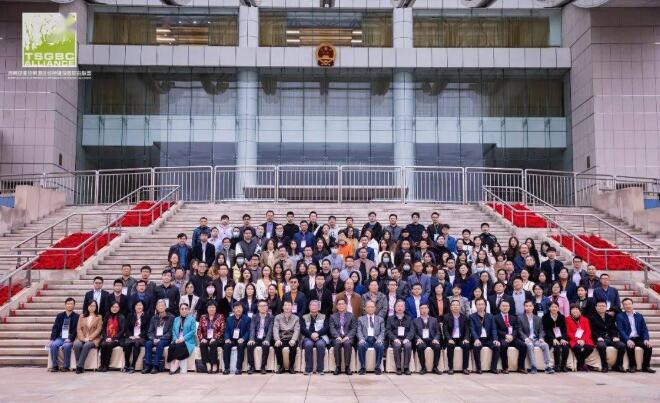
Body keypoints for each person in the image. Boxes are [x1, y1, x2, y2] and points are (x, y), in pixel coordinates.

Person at [615, 297, 655, 373]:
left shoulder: (639, 316)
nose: (628, 306)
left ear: (632, 305)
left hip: (638, 338)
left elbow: (644, 329)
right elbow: (621, 330)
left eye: (629, 304)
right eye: (625, 304)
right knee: (630, 346)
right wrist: (627, 340)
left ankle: (646, 366)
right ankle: (632, 366)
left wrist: (646, 339)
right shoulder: (620, 316)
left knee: (648, 346)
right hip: (627, 338)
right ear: (623, 306)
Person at [518, 300, 554, 374]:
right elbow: (519, 330)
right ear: (524, 307)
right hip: (527, 339)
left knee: (545, 345)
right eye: (526, 306)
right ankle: (533, 367)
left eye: (530, 306)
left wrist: (541, 338)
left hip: (536, 339)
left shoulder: (538, 318)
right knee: (530, 345)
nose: (528, 307)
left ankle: (547, 366)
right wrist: (526, 338)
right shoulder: (520, 318)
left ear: (533, 307)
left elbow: (541, 330)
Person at [589, 300, 625, 372]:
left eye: (603, 306)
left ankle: (618, 365)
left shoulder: (610, 317)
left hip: (610, 338)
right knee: (601, 346)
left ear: (606, 307)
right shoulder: (592, 317)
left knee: (622, 345)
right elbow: (592, 330)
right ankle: (604, 366)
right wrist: (598, 337)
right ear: (596, 307)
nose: (601, 307)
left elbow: (614, 329)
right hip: (599, 338)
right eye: (599, 306)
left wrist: (614, 336)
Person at [493, 300, 527, 373]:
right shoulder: (495, 317)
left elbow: (516, 329)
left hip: (512, 337)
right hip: (502, 337)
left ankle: (521, 367)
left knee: (523, 345)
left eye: (507, 306)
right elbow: (496, 329)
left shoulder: (513, 317)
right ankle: (505, 367)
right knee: (504, 345)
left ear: (509, 307)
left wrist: (512, 336)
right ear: (499, 307)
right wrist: (505, 335)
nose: (505, 307)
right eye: (503, 306)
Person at [142, 299, 174, 374]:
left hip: (165, 339)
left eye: (162, 305)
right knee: (148, 343)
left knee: (160, 343)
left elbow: (170, 332)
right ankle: (147, 365)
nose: (161, 307)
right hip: (155, 338)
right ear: (156, 307)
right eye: (159, 306)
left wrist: (160, 339)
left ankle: (155, 366)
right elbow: (150, 332)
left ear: (165, 307)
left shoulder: (171, 317)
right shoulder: (154, 318)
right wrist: (153, 339)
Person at [469, 298, 500, 374]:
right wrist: (476, 339)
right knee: (476, 347)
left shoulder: (490, 316)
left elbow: (493, 329)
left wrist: (495, 339)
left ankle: (493, 368)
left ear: (485, 305)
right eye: (478, 304)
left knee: (497, 346)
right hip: (478, 339)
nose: (480, 306)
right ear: (476, 306)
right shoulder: (472, 316)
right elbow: (472, 329)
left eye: (482, 304)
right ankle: (479, 368)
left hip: (488, 339)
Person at [48, 297, 79, 372]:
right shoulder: (59, 316)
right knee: (54, 345)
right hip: (60, 337)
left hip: (70, 338)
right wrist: (52, 339)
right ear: (65, 305)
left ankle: (66, 366)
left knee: (67, 346)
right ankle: (55, 366)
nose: (70, 305)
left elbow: (76, 330)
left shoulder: (77, 316)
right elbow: (55, 328)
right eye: (68, 304)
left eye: (71, 304)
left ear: (74, 305)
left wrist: (70, 339)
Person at [73, 300, 102, 374]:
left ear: (96, 307)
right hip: (82, 337)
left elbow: (98, 329)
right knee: (76, 345)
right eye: (90, 305)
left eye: (94, 306)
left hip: (94, 339)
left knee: (87, 345)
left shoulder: (99, 317)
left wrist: (90, 338)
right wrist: (83, 338)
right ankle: (80, 365)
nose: (92, 307)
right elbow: (78, 329)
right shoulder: (82, 316)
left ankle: (79, 366)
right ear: (87, 307)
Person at [413, 302, 443, 375]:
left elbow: (438, 332)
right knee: (420, 347)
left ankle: (435, 367)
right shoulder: (415, 320)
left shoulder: (434, 320)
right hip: (421, 340)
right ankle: (423, 368)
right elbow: (414, 333)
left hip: (432, 340)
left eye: (425, 308)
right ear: (419, 310)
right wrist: (418, 339)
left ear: (428, 309)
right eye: (422, 308)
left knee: (437, 346)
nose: (424, 310)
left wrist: (436, 339)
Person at [356, 300, 385, 375]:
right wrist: (361, 339)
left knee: (380, 346)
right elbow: (359, 331)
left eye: (372, 307)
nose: (370, 308)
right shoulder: (360, 319)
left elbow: (382, 331)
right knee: (361, 345)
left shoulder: (380, 319)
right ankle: (362, 367)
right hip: (365, 339)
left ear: (375, 308)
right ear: (365, 308)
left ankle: (377, 368)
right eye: (368, 307)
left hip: (375, 339)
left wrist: (380, 339)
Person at [329, 299, 357, 375]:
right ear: (336, 306)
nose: (341, 306)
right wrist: (337, 336)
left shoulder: (351, 315)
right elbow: (332, 328)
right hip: (337, 337)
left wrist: (348, 336)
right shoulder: (333, 316)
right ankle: (338, 367)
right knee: (337, 343)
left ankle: (347, 367)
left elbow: (354, 328)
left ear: (346, 305)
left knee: (347, 343)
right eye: (339, 304)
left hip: (347, 337)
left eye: (343, 304)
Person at [301, 300, 329, 375]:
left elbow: (326, 328)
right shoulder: (304, 317)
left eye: (315, 305)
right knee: (308, 345)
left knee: (320, 345)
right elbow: (303, 329)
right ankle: (308, 370)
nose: (314, 307)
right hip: (308, 337)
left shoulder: (324, 316)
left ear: (319, 308)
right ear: (309, 307)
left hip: (320, 337)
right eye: (312, 305)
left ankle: (320, 370)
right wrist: (311, 335)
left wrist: (317, 334)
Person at [223, 302, 251, 375]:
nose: (238, 309)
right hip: (232, 339)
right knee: (226, 346)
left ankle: (239, 368)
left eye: (240, 307)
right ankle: (226, 368)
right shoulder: (229, 319)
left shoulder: (247, 319)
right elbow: (226, 331)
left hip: (242, 339)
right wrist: (227, 338)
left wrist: (243, 339)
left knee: (241, 346)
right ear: (233, 309)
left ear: (242, 309)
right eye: (236, 308)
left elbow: (248, 331)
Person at [167, 303, 196, 374]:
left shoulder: (192, 319)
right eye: (182, 309)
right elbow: (173, 330)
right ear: (179, 310)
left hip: (188, 341)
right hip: (177, 339)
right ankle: (173, 362)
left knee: (179, 346)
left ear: (188, 310)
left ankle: (176, 364)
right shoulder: (176, 319)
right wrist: (175, 339)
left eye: (186, 309)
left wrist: (183, 338)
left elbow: (192, 331)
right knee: (172, 346)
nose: (184, 310)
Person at [443, 300, 470, 375]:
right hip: (451, 338)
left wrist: (466, 339)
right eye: (453, 305)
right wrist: (449, 339)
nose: (455, 307)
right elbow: (445, 330)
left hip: (461, 339)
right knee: (450, 345)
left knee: (466, 345)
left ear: (460, 307)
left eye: (457, 305)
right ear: (451, 307)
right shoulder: (446, 317)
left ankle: (465, 368)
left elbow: (467, 330)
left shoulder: (464, 317)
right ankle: (451, 368)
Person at [246, 299, 274, 374]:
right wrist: (251, 339)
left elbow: (270, 330)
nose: (262, 307)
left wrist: (267, 340)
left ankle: (263, 367)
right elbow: (252, 328)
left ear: (267, 307)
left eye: (264, 306)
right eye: (261, 306)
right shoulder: (254, 316)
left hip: (265, 337)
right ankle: (252, 367)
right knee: (249, 345)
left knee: (266, 346)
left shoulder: (271, 317)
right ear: (258, 307)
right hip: (256, 337)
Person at [273, 300, 301, 374]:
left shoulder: (296, 318)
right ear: (283, 307)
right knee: (277, 346)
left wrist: (294, 339)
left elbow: (297, 330)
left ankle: (291, 367)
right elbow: (275, 329)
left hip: (291, 337)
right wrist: (277, 339)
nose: (287, 307)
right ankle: (281, 366)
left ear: (292, 307)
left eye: (289, 305)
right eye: (285, 305)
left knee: (293, 346)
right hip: (281, 338)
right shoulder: (278, 317)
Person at [388, 299, 414, 375]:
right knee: (397, 345)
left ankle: (406, 368)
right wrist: (394, 338)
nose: (400, 308)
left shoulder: (409, 318)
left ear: (404, 308)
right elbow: (388, 331)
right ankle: (398, 368)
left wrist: (407, 338)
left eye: (402, 306)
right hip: (395, 339)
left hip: (406, 339)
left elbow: (412, 331)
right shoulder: (390, 318)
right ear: (395, 308)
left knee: (408, 345)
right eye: (398, 306)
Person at [122, 300, 149, 373]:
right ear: (134, 307)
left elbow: (147, 329)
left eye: (140, 305)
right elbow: (126, 328)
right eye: (137, 305)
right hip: (131, 336)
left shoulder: (147, 316)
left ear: (143, 306)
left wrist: (139, 336)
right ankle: (127, 363)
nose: (139, 307)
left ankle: (133, 365)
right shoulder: (130, 315)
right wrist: (131, 335)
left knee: (137, 344)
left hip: (141, 337)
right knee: (127, 344)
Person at [197, 301, 225, 374]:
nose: (211, 309)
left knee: (213, 344)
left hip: (218, 339)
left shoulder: (220, 316)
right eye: (210, 307)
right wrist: (202, 338)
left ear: (216, 308)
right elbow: (199, 330)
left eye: (213, 307)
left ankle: (214, 364)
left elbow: (222, 330)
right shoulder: (203, 317)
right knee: (202, 344)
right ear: (207, 309)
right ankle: (207, 363)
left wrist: (215, 337)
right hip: (206, 338)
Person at [542, 301, 570, 372]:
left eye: (556, 307)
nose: (554, 308)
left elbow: (564, 330)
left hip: (560, 337)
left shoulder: (562, 317)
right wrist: (553, 339)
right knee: (556, 346)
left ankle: (563, 365)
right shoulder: (545, 317)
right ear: (549, 308)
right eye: (552, 307)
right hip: (550, 338)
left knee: (566, 346)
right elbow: (546, 330)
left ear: (558, 308)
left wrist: (563, 338)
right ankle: (557, 366)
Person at [565, 304, 594, 372]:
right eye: (573, 309)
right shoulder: (567, 319)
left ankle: (580, 363)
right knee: (578, 348)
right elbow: (568, 332)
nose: (575, 310)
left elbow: (588, 331)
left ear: (579, 310)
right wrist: (577, 340)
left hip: (585, 339)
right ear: (570, 311)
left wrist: (583, 340)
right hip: (573, 339)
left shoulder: (585, 319)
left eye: (576, 309)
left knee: (589, 348)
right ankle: (582, 364)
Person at [98, 301, 125, 372]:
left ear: (119, 308)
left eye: (116, 307)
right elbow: (103, 328)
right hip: (107, 337)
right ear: (110, 308)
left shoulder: (121, 317)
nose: (114, 308)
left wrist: (113, 338)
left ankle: (106, 365)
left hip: (117, 338)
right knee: (103, 344)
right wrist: (106, 337)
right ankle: (102, 365)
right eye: (113, 307)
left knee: (109, 345)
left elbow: (122, 330)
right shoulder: (107, 316)